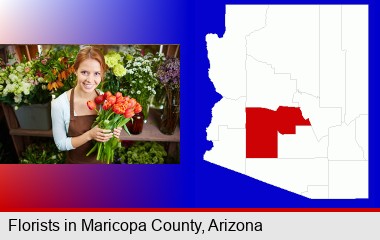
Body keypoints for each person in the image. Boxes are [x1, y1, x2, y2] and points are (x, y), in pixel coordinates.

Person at [51, 46, 122, 163]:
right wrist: (89, 135)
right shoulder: (60, 104)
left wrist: (114, 131)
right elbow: (61, 144)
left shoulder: (106, 98)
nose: (90, 79)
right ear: (75, 71)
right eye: (84, 72)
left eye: (96, 73)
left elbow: (109, 137)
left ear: (102, 74)